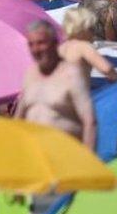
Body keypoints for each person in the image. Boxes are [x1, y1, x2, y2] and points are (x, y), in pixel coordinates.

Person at [16, 20, 97, 149]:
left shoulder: (72, 74)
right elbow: (19, 119)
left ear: (55, 44)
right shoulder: (30, 75)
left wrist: (87, 160)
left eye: (41, 43)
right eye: (31, 44)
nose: (35, 49)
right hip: (35, 154)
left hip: (64, 154)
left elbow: (89, 121)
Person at [59, 7, 117, 83]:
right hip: (79, 93)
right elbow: (107, 69)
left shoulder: (60, 48)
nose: (93, 34)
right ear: (83, 28)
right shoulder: (84, 47)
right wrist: (116, 79)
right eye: (92, 28)